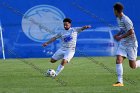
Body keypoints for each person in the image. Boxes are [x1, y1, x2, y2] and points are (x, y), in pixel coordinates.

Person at [113, 2, 140, 86]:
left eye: (114, 10)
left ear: (117, 11)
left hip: (131, 44)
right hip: (124, 43)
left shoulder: (126, 19)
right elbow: (122, 29)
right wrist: (117, 34)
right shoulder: (118, 19)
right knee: (118, 59)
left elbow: (131, 32)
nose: (113, 12)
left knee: (133, 66)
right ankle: (120, 82)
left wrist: (120, 37)